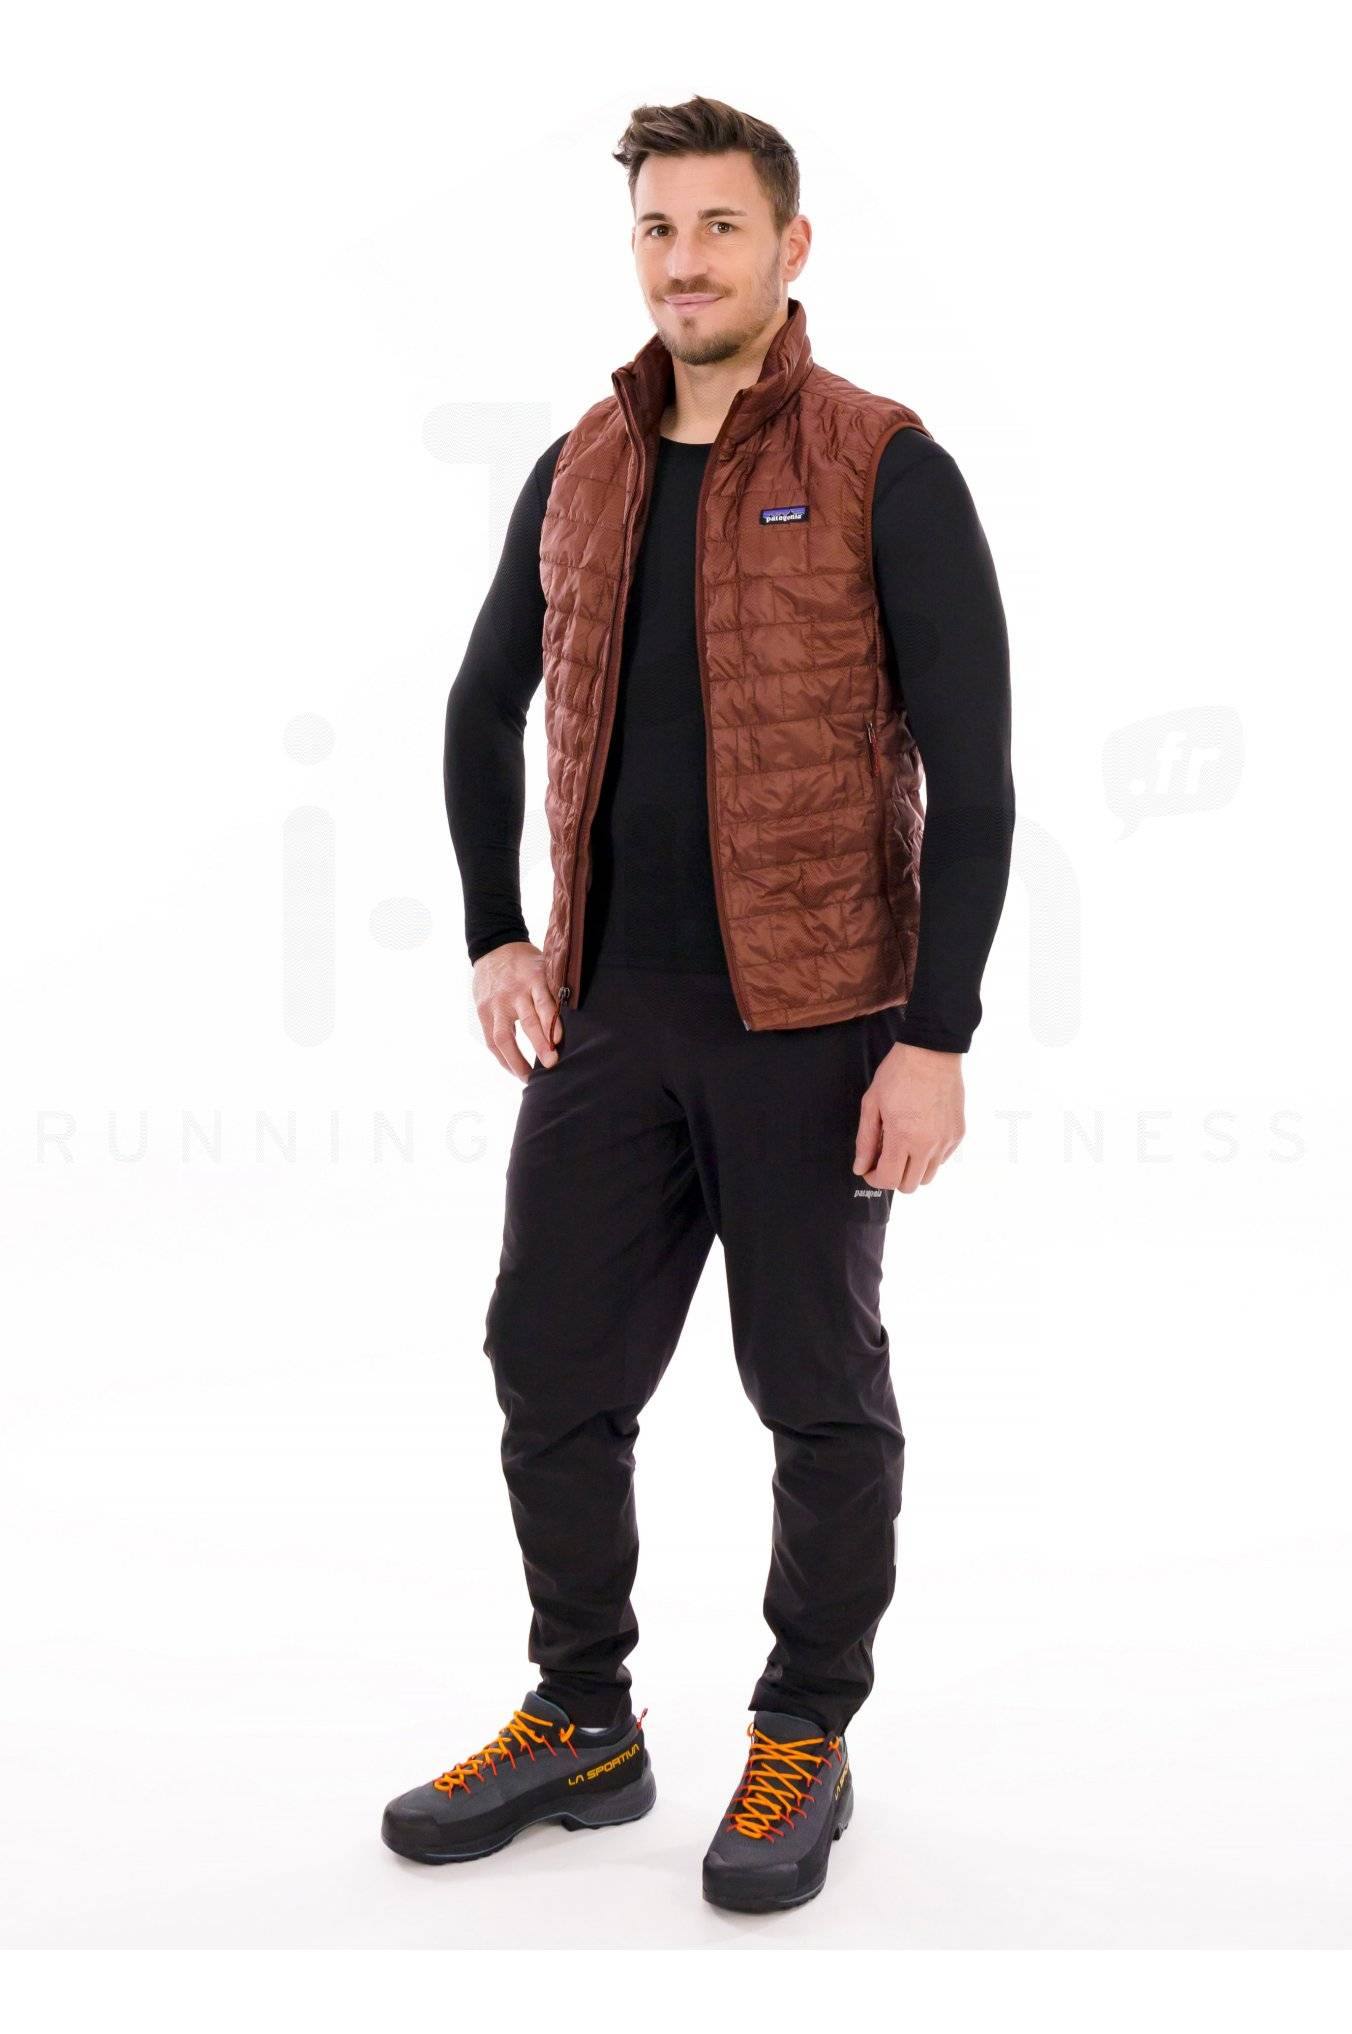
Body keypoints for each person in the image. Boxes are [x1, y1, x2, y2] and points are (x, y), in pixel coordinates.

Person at [382, 94, 1015, 1914]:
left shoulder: (886, 461)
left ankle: (805, 1726)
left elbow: (975, 773)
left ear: (790, 247)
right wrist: (496, 933)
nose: (686, 260)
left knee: (815, 1391)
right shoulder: (581, 462)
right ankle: (585, 1714)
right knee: (547, 1364)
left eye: (721, 227)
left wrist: (938, 1035)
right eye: (659, 228)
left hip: (819, 1023)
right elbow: (481, 700)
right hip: (608, 1017)